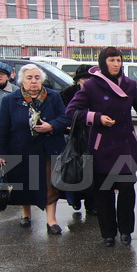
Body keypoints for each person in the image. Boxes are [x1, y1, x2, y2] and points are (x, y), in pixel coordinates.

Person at [66, 47, 137, 247]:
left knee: (127, 191)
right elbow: (72, 111)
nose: (116, 64)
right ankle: (108, 233)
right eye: (111, 60)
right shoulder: (92, 85)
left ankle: (126, 231)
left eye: (118, 60)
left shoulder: (130, 84)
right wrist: (96, 117)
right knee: (103, 192)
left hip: (125, 145)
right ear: (103, 63)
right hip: (102, 146)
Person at [0, 65, 69, 233]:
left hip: (48, 150)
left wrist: (51, 126)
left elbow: (65, 118)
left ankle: (51, 221)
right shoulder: (10, 100)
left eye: (37, 77)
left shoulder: (53, 96)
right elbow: (1, 129)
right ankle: (26, 213)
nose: (34, 81)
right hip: (21, 150)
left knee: (50, 185)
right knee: (25, 184)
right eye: (29, 78)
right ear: (22, 81)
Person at [59, 64, 96, 215]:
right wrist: (67, 126)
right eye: (83, 78)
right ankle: (74, 199)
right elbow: (64, 113)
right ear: (78, 80)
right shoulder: (68, 93)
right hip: (74, 135)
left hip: (92, 135)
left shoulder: (97, 92)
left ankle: (91, 203)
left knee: (91, 170)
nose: (86, 81)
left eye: (89, 78)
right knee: (74, 168)